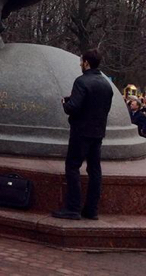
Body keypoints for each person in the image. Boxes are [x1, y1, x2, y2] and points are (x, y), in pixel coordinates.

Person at [53, 48, 114, 220]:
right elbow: (105, 109)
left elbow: (73, 107)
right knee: (95, 170)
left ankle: (73, 208)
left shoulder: (81, 82)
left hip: (81, 132)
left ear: (87, 63)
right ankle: (91, 210)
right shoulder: (106, 84)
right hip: (98, 133)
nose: (80, 64)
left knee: (72, 167)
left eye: (81, 61)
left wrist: (65, 103)